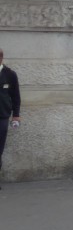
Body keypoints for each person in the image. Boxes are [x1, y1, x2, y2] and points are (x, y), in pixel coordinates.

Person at [0, 49, 21, 188]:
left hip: (2, 115)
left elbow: (16, 96)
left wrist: (16, 115)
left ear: (1, 58)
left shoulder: (10, 74)